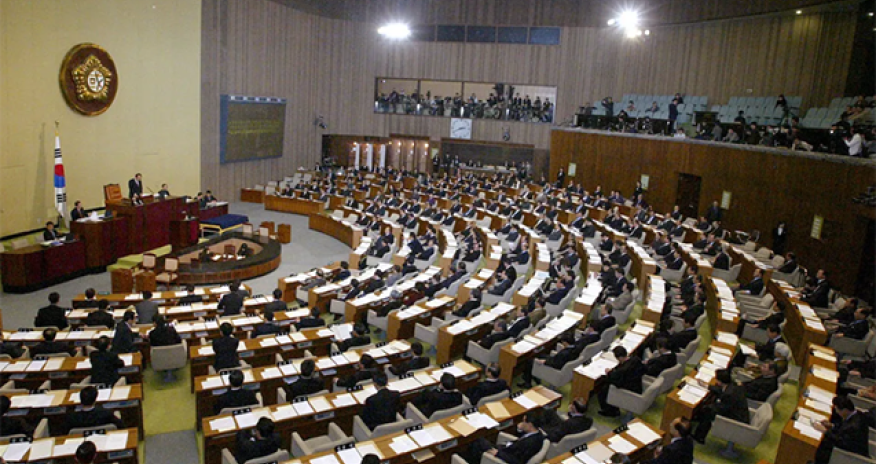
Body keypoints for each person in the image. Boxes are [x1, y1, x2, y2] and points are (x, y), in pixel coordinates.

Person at [464, 409, 546, 464]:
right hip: (508, 448)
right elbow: (522, 439)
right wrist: (519, 429)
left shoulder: (531, 443)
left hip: (504, 454)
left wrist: (498, 453)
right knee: (478, 442)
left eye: (524, 421)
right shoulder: (538, 434)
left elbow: (518, 461)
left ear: (530, 425)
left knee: (477, 441)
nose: (522, 422)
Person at [691, 369, 749, 443]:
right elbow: (721, 390)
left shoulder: (729, 394)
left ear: (720, 381)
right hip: (737, 412)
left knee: (708, 412)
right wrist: (707, 386)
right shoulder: (732, 385)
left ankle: (699, 437)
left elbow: (720, 408)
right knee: (707, 407)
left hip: (736, 419)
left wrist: (707, 406)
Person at [813, 396, 870, 463]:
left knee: (822, 446)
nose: (836, 412)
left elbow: (840, 441)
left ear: (845, 410)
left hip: (849, 456)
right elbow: (843, 428)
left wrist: (825, 431)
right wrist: (832, 425)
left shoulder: (853, 426)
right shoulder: (857, 414)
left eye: (837, 409)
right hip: (847, 446)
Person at [597, 346, 644, 417]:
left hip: (629, 389)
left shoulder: (622, 371)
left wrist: (609, 373)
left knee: (603, 389)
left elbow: (617, 382)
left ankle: (610, 411)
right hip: (637, 384)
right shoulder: (636, 359)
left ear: (620, 358)